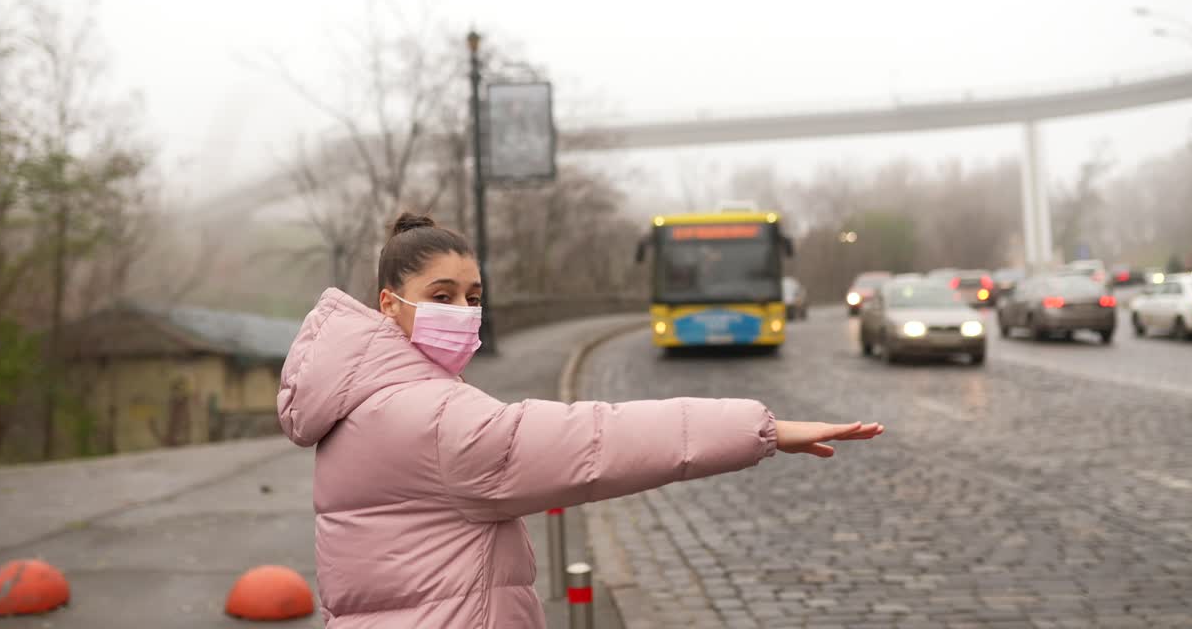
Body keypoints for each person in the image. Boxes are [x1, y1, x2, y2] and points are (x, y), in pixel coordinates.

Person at [278, 213, 884, 628]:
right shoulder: (430, 418)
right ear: (390, 303)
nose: (463, 311)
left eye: (473, 295)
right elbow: (597, 439)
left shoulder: (360, 400)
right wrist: (763, 430)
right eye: (442, 296)